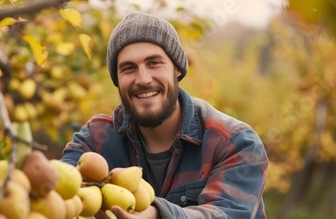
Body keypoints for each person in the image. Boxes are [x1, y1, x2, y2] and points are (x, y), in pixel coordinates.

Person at [60, 11, 269, 219]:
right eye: (129, 68)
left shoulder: (233, 143)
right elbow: (57, 193)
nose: (143, 79)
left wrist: (158, 215)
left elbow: (228, 215)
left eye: (154, 63)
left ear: (177, 68)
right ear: (118, 80)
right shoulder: (96, 140)